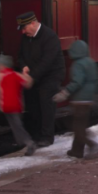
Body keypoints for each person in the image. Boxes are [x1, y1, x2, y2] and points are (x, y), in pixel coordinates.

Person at [16, 11, 65, 147]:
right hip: (34, 75)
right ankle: (35, 135)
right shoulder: (27, 37)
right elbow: (20, 55)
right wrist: (24, 65)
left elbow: (47, 62)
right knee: (33, 104)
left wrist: (31, 77)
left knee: (46, 103)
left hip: (51, 75)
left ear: (33, 23)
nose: (23, 32)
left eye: (24, 28)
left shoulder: (49, 36)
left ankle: (47, 137)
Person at [52, 40, 98, 159]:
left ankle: (92, 145)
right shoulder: (91, 62)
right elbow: (96, 80)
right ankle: (76, 151)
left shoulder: (77, 64)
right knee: (80, 126)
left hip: (80, 100)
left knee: (77, 128)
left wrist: (65, 92)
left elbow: (77, 82)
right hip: (89, 99)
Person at [0, 53, 36, 156]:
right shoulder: (16, 75)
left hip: (5, 106)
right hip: (17, 107)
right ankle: (26, 143)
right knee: (17, 127)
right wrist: (25, 74)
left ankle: (29, 143)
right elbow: (28, 83)